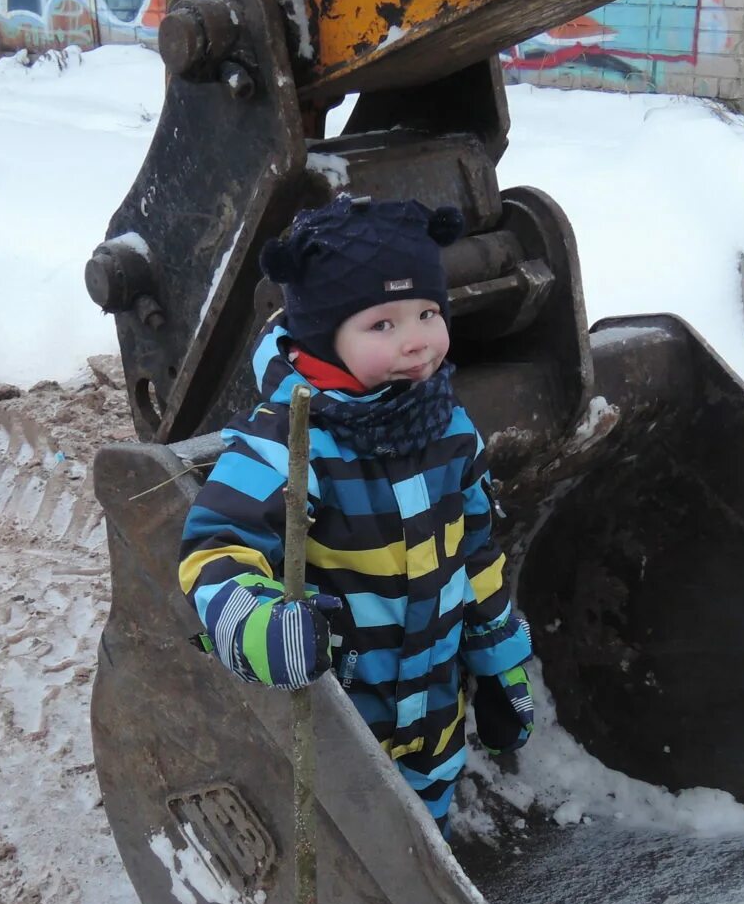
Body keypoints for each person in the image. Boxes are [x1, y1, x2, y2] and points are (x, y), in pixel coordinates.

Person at [177, 195, 536, 831]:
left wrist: (499, 659)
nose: (416, 340)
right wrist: (262, 627)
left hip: (433, 713)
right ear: (324, 338)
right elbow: (216, 550)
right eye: (383, 325)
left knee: (424, 839)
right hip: (339, 723)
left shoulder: (448, 428)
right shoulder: (290, 442)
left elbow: (475, 553)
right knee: (349, 852)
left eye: (428, 312)